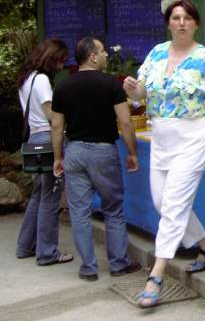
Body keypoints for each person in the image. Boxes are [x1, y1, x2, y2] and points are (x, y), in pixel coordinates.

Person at [123, 0, 205, 308]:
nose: (182, 22)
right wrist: (133, 90)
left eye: (187, 17)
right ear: (169, 23)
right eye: (176, 17)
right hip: (162, 135)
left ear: (196, 24)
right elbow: (141, 94)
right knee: (162, 202)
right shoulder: (156, 53)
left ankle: (156, 274)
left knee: (173, 205)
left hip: (193, 133)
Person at [51, 37, 141, 281]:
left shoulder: (62, 87)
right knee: (113, 208)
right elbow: (125, 122)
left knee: (79, 211)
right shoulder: (112, 85)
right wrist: (132, 153)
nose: (105, 55)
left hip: (74, 152)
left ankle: (88, 268)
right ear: (92, 56)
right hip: (103, 152)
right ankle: (118, 263)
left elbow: (57, 127)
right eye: (102, 51)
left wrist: (58, 157)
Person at [16, 38, 74, 266]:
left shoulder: (27, 79)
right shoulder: (41, 80)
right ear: (50, 59)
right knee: (50, 197)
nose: (61, 67)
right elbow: (53, 116)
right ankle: (47, 252)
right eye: (59, 62)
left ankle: (25, 246)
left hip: (33, 140)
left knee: (38, 195)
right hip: (47, 140)